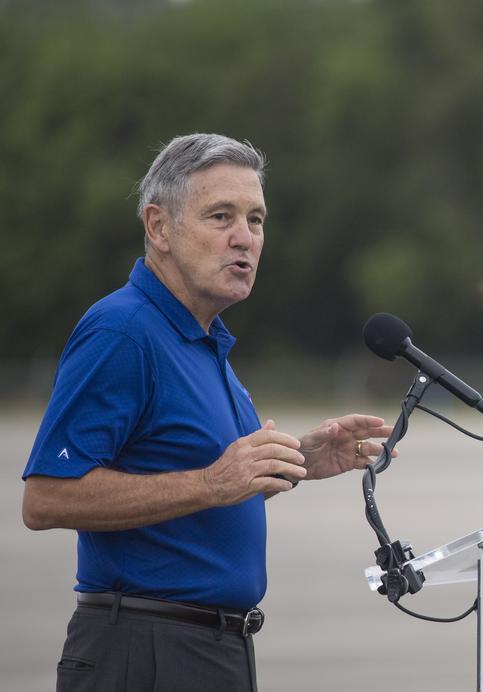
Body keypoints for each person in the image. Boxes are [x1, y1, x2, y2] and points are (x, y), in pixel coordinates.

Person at [21, 133, 393, 692]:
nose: (244, 238)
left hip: (211, 649)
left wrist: (295, 459)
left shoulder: (203, 337)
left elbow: (198, 470)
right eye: (221, 216)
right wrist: (211, 483)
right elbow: (46, 496)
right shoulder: (125, 331)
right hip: (145, 650)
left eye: (256, 219)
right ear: (159, 227)